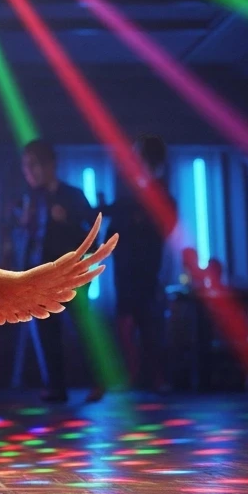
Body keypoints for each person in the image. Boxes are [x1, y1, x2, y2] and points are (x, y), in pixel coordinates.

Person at [20, 139, 95, 403]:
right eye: (25, 166)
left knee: (84, 331)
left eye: (33, 165)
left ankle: (98, 382)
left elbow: (93, 239)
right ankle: (56, 387)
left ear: (49, 165)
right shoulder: (33, 199)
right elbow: (31, 244)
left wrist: (69, 221)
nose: (28, 172)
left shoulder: (73, 196)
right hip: (41, 278)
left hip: (71, 277)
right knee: (45, 332)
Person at [104, 136, 174, 392]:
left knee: (145, 321)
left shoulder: (157, 194)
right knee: (132, 320)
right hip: (129, 266)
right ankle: (136, 376)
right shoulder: (131, 194)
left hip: (143, 267)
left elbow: (163, 227)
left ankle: (150, 377)